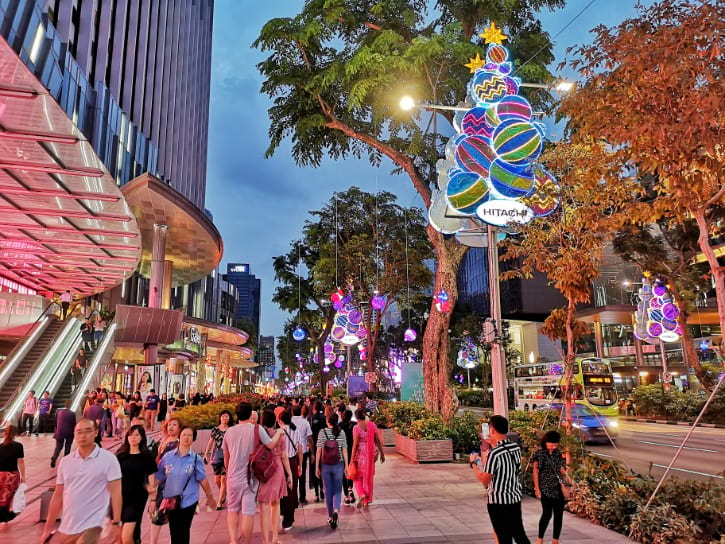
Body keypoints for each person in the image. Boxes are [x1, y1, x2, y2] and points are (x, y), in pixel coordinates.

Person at [40, 419, 123, 544]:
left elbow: (116, 492)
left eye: (88, 431)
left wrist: (116, 522)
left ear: (96, 432)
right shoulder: (66, 462)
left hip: (94, 524)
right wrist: (48, 528)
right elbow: (58, 496)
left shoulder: (108, 459)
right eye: (79, 432)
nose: (83, 436)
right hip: (68, 527)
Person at [222, 402, 284, 544]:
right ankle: (246, 541)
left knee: (232, 510)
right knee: (247, 513)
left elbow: (227, 458)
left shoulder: (229, 432)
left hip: (232, 477)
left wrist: (228, 472)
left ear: (236, 415)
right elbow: (270, 444)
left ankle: (232, 540)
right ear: (251, 414)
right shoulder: (256, 429)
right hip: (250, 478)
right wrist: (280, 432)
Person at [470, 415, 530, 544]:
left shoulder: (495, 454)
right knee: (519, 534)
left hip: (498, 502)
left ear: (492, 430)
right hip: (514, 498)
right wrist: (492, 444)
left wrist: (473, 464)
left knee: (503, 537)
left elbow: (484, 480)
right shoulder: (515, 448)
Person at [152, 426, 214, 544]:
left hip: (189, 500)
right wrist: (150, 492)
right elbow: (159, 477)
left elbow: (203, 479)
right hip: (171, 500)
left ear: (193, 439)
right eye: (184, 434)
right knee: (174, 531)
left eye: (190, 435)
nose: (186, 438)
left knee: (184, 531)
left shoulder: (196, 459)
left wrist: (209, 496)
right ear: (179, 437)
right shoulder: (168, 457)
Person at [117, 425, 157, 544]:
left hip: (137, 498)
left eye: (136, 435)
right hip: (120, 497)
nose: (133, 438)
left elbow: (151, 479)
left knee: (126, 536)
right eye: (130, 435)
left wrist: (153, 500)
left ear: (141, 438)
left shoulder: (146, 457)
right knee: (122, 536)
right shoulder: (120, 455)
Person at [257, 409, 293, 544]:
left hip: (263, 471)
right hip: (277, 470)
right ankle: (275, 538)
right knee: (276, 504)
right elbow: (284, 457)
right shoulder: (280, 435)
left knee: (264, 507)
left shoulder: (258, 435)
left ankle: (265, 540)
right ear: (274, 422)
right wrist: (289, 474)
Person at [149, 417, 183, 544]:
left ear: (180, 428)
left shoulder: (180, 443)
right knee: (157, 515)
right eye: (169, 425)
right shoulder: (162, 441)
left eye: (174, 425)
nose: (171, 427)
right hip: (162, 484)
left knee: (174, 516)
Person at [533, 431, 569, 544]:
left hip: (558, 488)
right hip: (546, 488)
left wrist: (566, 475)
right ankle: (540, 538)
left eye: (555, 444)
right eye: (551, 444)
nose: (553, 446)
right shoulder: (539, 454)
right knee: (547, 514)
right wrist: (537, 488)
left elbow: (559, 467)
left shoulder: (557, 453)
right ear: (545, 442)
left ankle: (555, 540)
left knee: (559, 515)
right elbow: (535, 472)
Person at [315, 412, 349, 530]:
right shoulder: (342, 432)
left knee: (328, 491)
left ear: (327, 421)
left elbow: (319, 450)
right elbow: (344, 450)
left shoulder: (322, 432)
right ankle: (336, 510)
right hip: (338, 464)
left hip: (326, 465)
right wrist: (346, 466)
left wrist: (316, 467)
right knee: (337, 490)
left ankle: (330, 516)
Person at [351, 408, 385, 508]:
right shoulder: (372, 425)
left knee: (356, 476)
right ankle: (367, 500)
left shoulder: (356, 428)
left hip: (361, 454)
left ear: (357, 417)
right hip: (371, 454)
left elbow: (355, 444)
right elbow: (377, 440)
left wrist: (352, 458)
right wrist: (382, 453)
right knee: (368, 476)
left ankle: (361, 494)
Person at [203, 410, 233, 510]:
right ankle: (223, 492)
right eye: (223, 416)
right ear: (220, 418)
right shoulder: (215, 429)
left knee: (224, 479)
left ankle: (219, 502)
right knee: (217, 480)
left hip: (228, 455)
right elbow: (210, 442)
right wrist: (206, 454)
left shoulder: (231, 429)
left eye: (227, 416)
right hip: (217, 456)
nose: (225, 418)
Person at [278, 409, 302, 532]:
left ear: (280, 421)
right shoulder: (295, 430)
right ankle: (289, 519)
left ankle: (282, 513)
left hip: (281, 463)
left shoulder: (280, 432)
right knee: (292, 491)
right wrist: (300, 465)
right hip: (292, 462)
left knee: (281, 490)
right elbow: (300, 449)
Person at [0, 425, 25, 523]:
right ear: (15, 434)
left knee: (2, 496)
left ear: (4, 433)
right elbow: (21, 462)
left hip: (1, 475)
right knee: (10, 496)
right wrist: (23, 476)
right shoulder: (18, 446)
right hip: (12, 476)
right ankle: (6, 515)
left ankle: (4, 514)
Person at [291, 404, 312, 504]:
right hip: (303, 452)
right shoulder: (305, 422)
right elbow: (309, 438)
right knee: (302, 475)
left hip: (291, 453)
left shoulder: (288, 422)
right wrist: (312, 452)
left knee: (292, 476)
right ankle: (302, 498)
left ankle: (293, 498)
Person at [309, 400, 327, 502]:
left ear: (314, 407)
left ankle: (316, 493)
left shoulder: (312, 418)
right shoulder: (324, 418)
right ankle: (322, 490)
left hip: (315, 446)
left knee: (314, 469)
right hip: (324, 446)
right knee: (323, 468)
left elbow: (311, 435)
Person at [51, 400, 77, 468]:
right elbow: (74, 423)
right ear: (71, 405)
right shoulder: (72, 413)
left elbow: (56, 422)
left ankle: (54, 457)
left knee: (58, 447)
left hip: (59, 432)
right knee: (67, 447)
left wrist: (57, 430)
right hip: (69, 432)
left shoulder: (59, 412)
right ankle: (66, 461)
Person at [339, 409, 357, 505]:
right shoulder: (354, 425)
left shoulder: (339, 425)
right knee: (350, 470)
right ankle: (350, 488)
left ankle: (346, 496)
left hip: (342, 451)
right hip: (352, 451)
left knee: (343, 473)